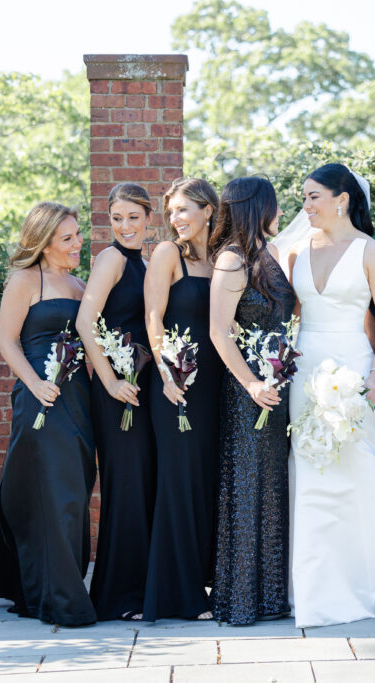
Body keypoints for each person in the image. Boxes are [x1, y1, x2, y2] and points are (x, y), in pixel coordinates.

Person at [279, 163, 375, 628]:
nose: (306, 206)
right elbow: (293, 317)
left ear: (341, 199)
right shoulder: (297, 253)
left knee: (360, 469)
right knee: (309, 469)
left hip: (353, 366)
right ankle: (317, 594)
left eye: (313, 197)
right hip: (305, 371)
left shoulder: (371, 252)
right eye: (304, 198)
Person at [0, 202, 96, 627]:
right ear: (44, 242)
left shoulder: (81, 285)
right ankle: (61, 599)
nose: (77, 243)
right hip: (40, 400)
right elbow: (7, 342)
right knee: (55, 493)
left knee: (77, 490)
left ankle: (50, 584)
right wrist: (35, 384)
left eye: (78, 235)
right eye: (67, 238)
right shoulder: (25, 280)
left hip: (78, 398)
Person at [207, 177, 295, 625]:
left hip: (278, 385)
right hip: (249, 394)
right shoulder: (232, 260)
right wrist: (251, 384)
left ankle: (270, 594)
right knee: (247, 485)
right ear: (259, 207)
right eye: (276, 205)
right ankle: (241, 597)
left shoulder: (271, 254)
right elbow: (219, 331)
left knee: (273, 484)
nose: (281, 212)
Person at [142, 177, 224, 621]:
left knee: (206, 482)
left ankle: (208, 580)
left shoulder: (224, 259)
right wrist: (165, 371)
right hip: (176, 383)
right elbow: (153, 316)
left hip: (215, 387)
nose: (175, 219)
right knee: (180, 482)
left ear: (208, 210)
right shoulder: (167, 254)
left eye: (183, 210)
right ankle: (181, 595)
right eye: (171, 211)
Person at [74, 183, 156, 621]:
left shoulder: (146, 260)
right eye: (117, 218)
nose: (125, 226)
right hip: (117, 390)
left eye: (133, 217)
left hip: (142, 387)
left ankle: (141, 588)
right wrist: (107, 380)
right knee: (125, 487)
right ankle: (121, 596)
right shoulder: (110, 259)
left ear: (148, 218)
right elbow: (86, 321)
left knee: (142, 485)